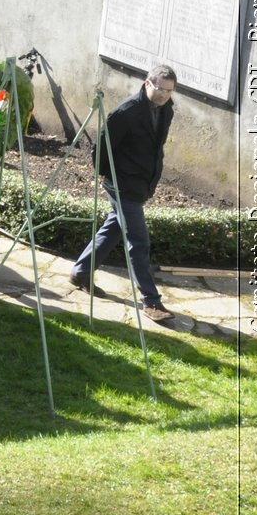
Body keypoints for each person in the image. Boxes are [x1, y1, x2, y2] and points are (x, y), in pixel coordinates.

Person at [71, 65, 182, 327]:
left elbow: (155, 148)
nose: (165, 95)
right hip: (121, 184)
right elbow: (102, 145)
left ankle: (81, 272)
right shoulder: (128, 111)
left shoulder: (166, 110)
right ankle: (151, 301)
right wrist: (110, 177)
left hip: (140, 184)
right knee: (138, 240)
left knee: (114, 228)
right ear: (147, 84)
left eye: (169, 91)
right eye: (160, 89)